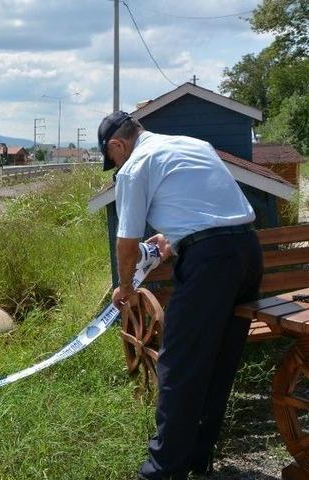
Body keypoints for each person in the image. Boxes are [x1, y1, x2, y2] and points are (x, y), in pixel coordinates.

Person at [99, 111, 263, 479]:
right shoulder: (194, 145)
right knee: (220, 361)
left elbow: (126, 246)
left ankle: (161, 472)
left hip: (210, 263)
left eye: (112, 161)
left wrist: (126, 288)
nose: (115, 168)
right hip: (248, 252)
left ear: (117, 145)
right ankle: (197, 460)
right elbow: (210, 211)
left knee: (179, 367)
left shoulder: (134, 166)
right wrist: (173, 241)